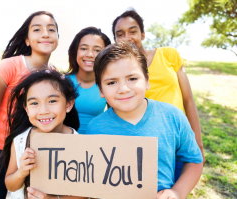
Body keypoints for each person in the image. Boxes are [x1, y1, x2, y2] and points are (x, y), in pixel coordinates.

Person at [86, 41, 203, 199]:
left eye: (132, 78)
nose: (123, 89)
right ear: (101, 89)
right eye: (112, 82)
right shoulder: (95, 128)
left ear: (147, 80)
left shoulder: (173, 117)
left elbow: (193, 160)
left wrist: (177, 192)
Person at [111, 8, 205, 181]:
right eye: (120, 34)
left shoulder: (168, 55)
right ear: (115, 40)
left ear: (143, 34)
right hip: (145, 146)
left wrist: (197, 142)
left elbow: (188, 100)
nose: (127, 37)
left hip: (178, 139)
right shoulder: (119, 71)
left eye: (133, 31)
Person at [0, 11, 59, 198]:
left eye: (51, 29)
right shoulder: (9, 67)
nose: (45, 33)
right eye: (37, 29)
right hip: (0, 154)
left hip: (33, 154)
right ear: (27, 40)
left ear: (57, 39)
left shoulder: (55, 75)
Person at [3, 70, 88, 199]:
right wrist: (21, 173)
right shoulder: (21, 141)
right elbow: (10, 185)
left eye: (52, 101)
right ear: (26, 109)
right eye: (34, 103)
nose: (43, 111)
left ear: (69, 104)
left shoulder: (79, 144)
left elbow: (84, 192)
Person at [67, 27, 111, 134]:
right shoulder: (60, 83)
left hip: (95, 146)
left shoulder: (109, 85)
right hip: (66, 144)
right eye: (83, 48)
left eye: (97, 50)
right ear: (75, 51)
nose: (90, 54)